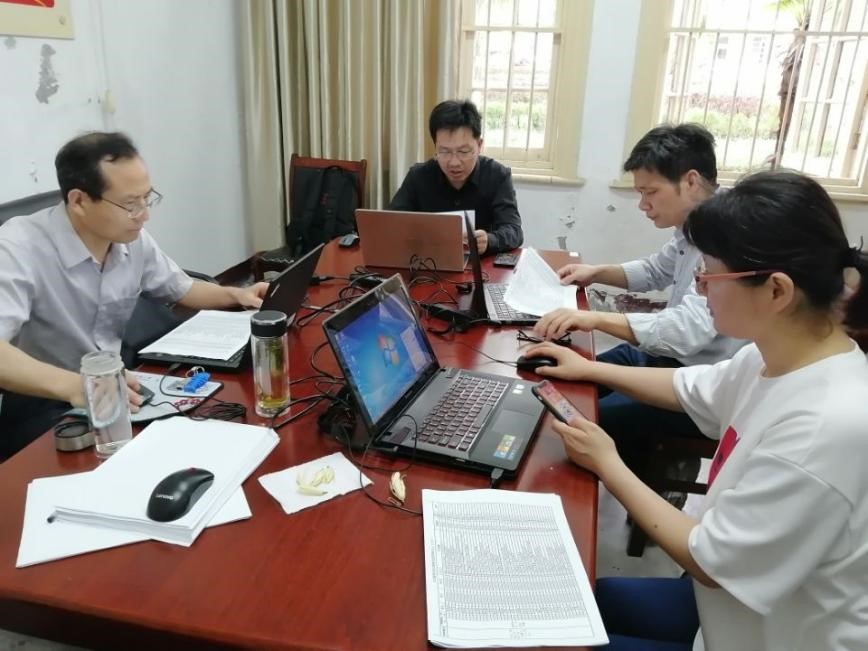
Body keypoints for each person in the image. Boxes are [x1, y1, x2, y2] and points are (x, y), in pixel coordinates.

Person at [525, 170, 868, 650]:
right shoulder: (772, 356)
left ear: (777, 291)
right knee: (558, 602)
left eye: (709, 275)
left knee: (545, 639)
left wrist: (608, 463)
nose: (699, 288)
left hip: (764, 635)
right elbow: (688, 386)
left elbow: (710, 561)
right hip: (727, 610)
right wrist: (589, 369)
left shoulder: (825, 427)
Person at [0, 132, 268, 458]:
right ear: (79, 201)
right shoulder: (17, 248)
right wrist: (77, 386)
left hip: (121, 388)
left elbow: (181, 288)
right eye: (130, 204)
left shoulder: (129, 236)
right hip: (45, 404)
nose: (144, 214)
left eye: (146, 198)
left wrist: (235, 295)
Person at [534, 124, 745, 471]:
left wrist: (595, 318)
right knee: (564, 377)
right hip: (666, 359)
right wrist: (596, 272)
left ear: (690, 181)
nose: (643, 205)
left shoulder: (726, 236)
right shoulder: (696, 224)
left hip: (698, 382)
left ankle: (651, 472)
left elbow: (686, 331)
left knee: (583, 419)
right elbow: (655, 270)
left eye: (651, 192)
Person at [389, 99, 523, 255]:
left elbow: (514, 230)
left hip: (479, 265)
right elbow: (392, 222)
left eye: (463, 152)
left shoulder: (498, 176)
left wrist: (489, 240)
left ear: (479, 145)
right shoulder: (418, 176)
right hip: (427, 262)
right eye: (444, 151)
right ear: (435, 146)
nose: (454, 162)